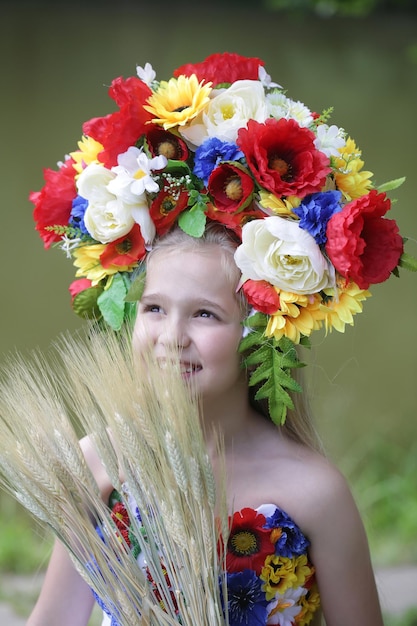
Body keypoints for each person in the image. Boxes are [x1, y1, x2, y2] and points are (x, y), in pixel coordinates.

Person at [24, 52, 415, 625]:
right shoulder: (101, 463)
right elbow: (53, 618)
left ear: (260, 332)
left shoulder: (312, 493)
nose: (170, 338)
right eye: (154, 309)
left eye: (205, 315)